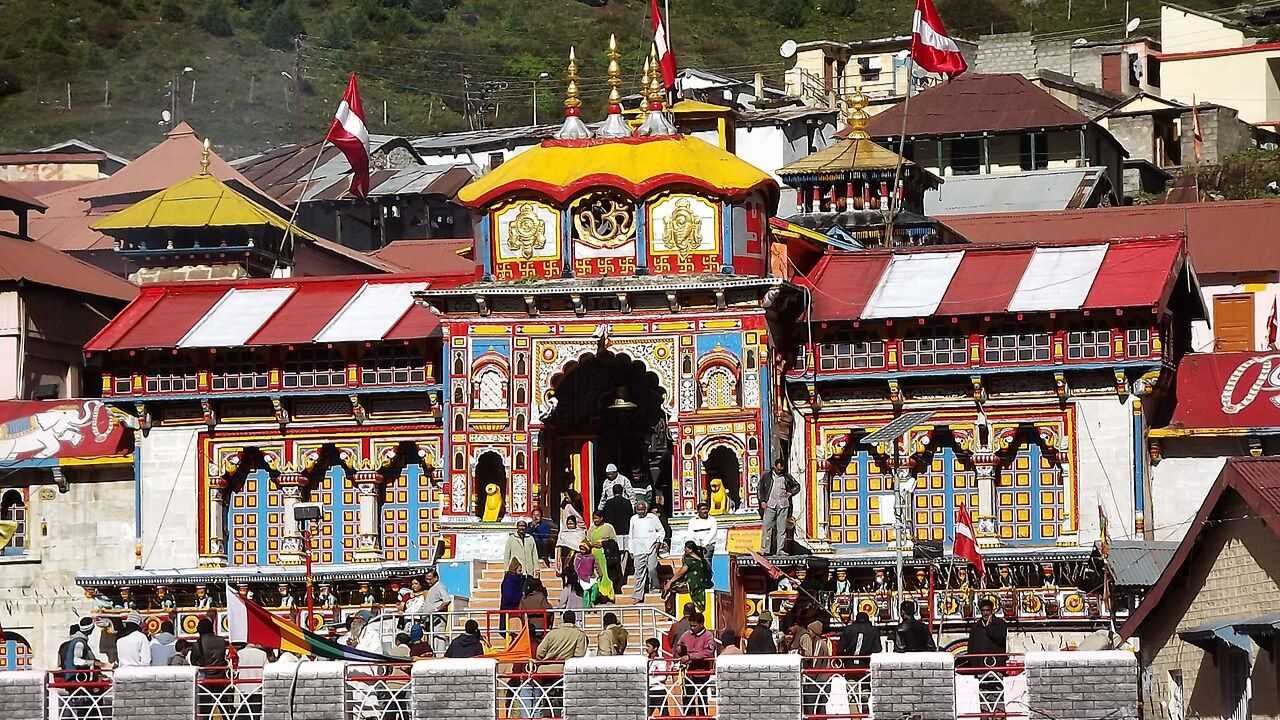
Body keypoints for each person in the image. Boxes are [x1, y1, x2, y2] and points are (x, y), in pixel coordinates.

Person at [674, 611, 715, 717]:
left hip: (702, 672)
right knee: (688, 698)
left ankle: (703, 717)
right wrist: (679, 650)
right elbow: (678, 646)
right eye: (691, 625)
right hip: (688, 672)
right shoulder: (686, 634)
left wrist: (690, 656)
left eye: (694, 626)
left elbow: (708, 652)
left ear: (701, 624)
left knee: (702, 699)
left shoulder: (708, 636)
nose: (692, 628)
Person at [759, 458, 800, 556]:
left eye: (781, 469)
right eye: (778, 469)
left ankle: (780, 550)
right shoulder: (767, 476)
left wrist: (790, 493)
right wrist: (762, 501)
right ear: (774, 466)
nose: (780, 471)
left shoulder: (786, 476)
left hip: (783, 504)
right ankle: (765, 549)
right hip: (770, 504)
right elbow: (760, 489)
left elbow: (797, 486)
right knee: (767, 527)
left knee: (781, 529)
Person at [629, 500, 665, 602]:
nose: (640, 512)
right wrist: (631, 549)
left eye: (642, 510)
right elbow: (631, 535)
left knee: (652, 569)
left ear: (646, 509)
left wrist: (659, 542)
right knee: (639, 573)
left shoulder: (653, 517)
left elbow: (661, 531)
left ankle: (655, 587)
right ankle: (638, 595)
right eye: (638, 510)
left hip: (651, 547)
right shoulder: (633, 519)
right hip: (638, 549)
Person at [664, 541, 713, 610]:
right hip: (703, 583)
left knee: (671, 587)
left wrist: (670, 582)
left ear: (690, 550)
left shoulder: (690, 561)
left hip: (693, 584)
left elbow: (681, 572)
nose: (684, 549)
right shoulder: (702, 559)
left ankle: (671, 609)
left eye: (685, 548)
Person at [601, 484, 635, 581]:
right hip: (625, 531)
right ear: (622, 491)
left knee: (615, 553)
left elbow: (606, 518)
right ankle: (622, 571)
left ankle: (618, 572)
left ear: (613, 491)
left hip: (614, 532)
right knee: (625, 552)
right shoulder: (627, 502)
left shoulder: (608, 503)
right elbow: (630, 516)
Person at [965, 598, 1008, 666]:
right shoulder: (976, 626)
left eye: (987, 610)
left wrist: (989, 627)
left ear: (992, 611)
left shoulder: (1000, 623)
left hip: (996, 664)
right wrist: (972, 661)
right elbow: (971, 646)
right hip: (979, 665)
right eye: (983, 610)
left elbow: (1000, 638)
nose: (985, 613)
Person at [588, 512, 618, 601]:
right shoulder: (592, 528)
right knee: (597, 574)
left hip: (604, 555)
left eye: (597, 518)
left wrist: (603, 543)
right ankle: (597, 595)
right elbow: (588, 540)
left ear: (602, 518)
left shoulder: (608, 527)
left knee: (605, 574)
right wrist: (591, 544)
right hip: (594, 555)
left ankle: (607, 595)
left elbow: (614, 542)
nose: (595, 520)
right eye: (594, 518)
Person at [421, 569, 452, 655]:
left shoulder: (439, 586)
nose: (428, 581)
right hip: (431, 620)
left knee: (439, 638)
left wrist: (436, 609)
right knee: (433, 638)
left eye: (430, 579)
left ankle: (440, 655)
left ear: (436, 578)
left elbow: (447, 600)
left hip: (438, 619)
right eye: (426, 579)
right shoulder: (432, 588)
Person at [644, 638, 670, 717]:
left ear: (655, 648)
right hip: (649, 691)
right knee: (646, 715)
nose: (646, 648)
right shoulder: (646, 660)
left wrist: (649, 681)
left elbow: (663, 676)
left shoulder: (660, 660)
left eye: (648, 646)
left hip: (659, 690)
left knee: (664, 715)